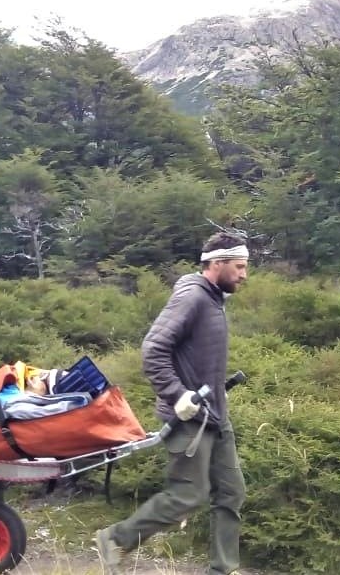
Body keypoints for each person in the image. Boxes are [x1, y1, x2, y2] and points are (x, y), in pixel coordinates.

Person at [95, 232, 249, 575]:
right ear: (217, 264)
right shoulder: (193, 297)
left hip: (216, 415)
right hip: (189, 418)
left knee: (231, 492)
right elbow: (153, 350)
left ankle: (223, 568)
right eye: (238, 267)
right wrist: (178, 394)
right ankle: (116, 540)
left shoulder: (214, 298)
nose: (244, 275)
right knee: (188, 495)